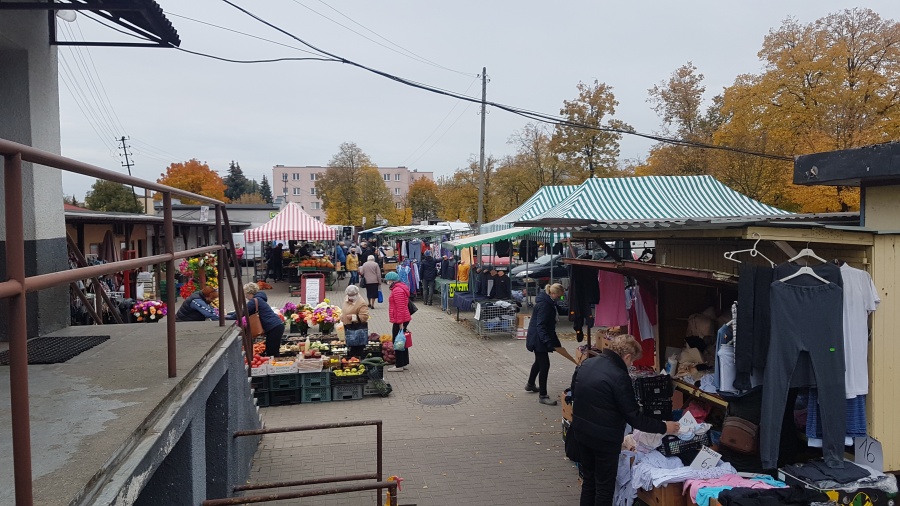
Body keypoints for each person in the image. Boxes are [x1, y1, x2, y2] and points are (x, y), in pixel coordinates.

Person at [571, 334, 680, 506]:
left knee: (589, 480)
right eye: (632, 361)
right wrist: (664, 426)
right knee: (604, 487)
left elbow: (574, 393)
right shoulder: (619, 376)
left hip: (582, 432)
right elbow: (635, 417)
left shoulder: (587, 364)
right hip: (604, 440)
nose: (631, 365)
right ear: (627, 356)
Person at [525, 283, 577, 405]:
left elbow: (560, 310)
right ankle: (543, 395)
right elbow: (540, 325)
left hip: (539, 338)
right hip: (539, 339)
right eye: (560, 296)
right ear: (553, 294)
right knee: (544, 365)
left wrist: (573, 311)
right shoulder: (545, 305)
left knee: (538, 362)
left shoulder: (550, 302)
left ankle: (530, 384)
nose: (560, 298)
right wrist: (547, 342)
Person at [244, 282, 286, 357]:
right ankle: (272, 366)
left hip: (274, 328)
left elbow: (242, 312)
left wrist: (227, 317)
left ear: (249, 293)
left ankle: (275, 367)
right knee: (270, 351)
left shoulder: (254, 301)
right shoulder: (259, 299)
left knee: (272, 352)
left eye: (246, 294)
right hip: (276, 326)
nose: (246, 297)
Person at [385, 271, 411, 372]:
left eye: (388, 280)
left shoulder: (397, 291)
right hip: (402, 318)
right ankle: (404, 362)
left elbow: (400, 307)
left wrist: (400, 323)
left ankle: (399, 364)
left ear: (392, 280)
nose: (387, 282)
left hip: (400, 319)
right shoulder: (399, 288)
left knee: (398, 341)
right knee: (402, 341)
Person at [340, 284, 370, 359]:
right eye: (349, 295)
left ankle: (358, 360)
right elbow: (345, 309)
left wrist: (353, 317)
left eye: (352, 295)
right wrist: (342, 315)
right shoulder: (346, 298)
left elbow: (364, 317)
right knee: (351, 346)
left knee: (357, 348)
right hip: (348, 327)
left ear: (356, 294)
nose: (350, 297)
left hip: (357, 330)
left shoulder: (361, 303)